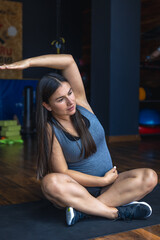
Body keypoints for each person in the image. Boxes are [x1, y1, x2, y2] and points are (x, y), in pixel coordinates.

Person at [0, 54, 158, 226]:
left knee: (150, 177)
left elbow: (68, 61)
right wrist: (102, 181)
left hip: (110, 186)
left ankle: (83, 211)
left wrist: (29, 63)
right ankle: (114, 212)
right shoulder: (49, 129)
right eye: (60, 100)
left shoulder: (81, 103)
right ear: (47, 105)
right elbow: (63, 172)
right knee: (50, 183)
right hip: (78, 191)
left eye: (70, 93)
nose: (70, 102)